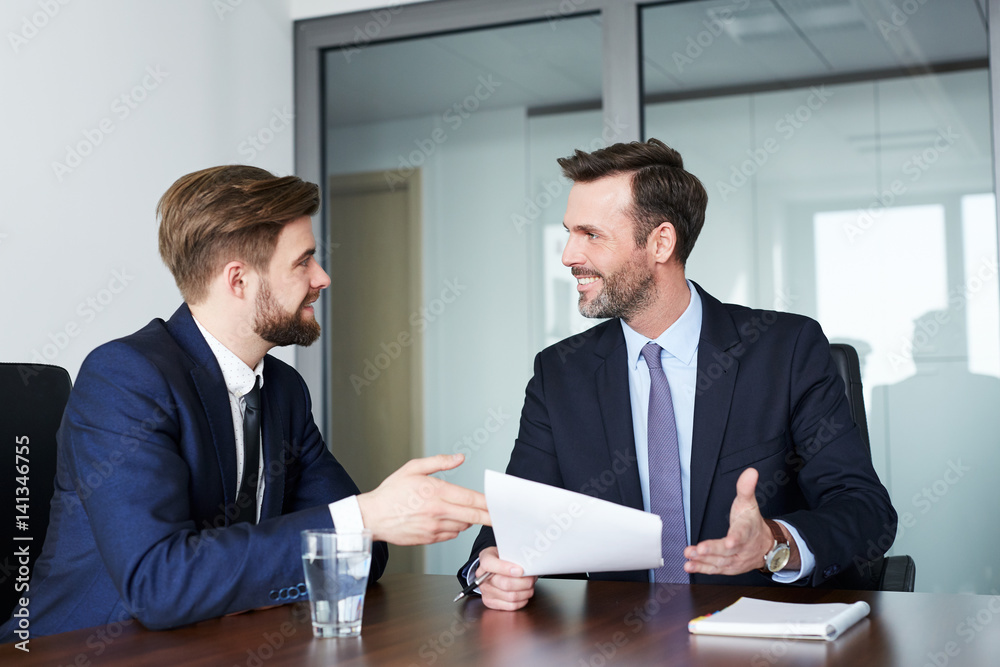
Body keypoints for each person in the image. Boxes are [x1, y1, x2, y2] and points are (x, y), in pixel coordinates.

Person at [1, 165, 490, 639]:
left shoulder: (284, 391)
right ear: (239, 281)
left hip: (210, 648)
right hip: (76, 652)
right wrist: (363, 517)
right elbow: (159, 584)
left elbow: (365, 557)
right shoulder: (125, 378)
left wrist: (242, 578)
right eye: (303, 261)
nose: (322, 278)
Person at [460, 139, 896, 610]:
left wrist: (774, 543)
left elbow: (865, 510)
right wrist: (488, 573)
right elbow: (509, 532)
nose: (568, 255)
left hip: (759, 641)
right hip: (615, 644)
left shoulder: (785, 350)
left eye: (591, 235)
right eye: (569, 232)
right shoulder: (560, 373)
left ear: (661, 243)